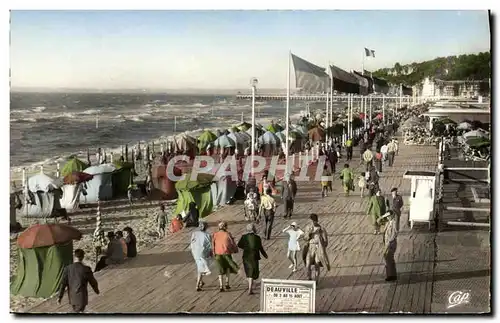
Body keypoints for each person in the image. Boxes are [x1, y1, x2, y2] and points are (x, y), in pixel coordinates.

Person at [237, 223, 268, 295]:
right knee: (254, 272)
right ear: (254, 229)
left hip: (246, 256)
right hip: (255, 257)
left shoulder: (244, 237)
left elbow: (239, 245)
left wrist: (246, 248)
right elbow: (260, 248)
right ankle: (250, 288)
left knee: (249, 272)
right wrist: (265, 255)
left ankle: (250, 286)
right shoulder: (257, 238)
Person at [302, 214, 330, 282]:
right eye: (311, 221)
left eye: (313, 221)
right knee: (308, 264)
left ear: (316, 221)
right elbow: (305, 238)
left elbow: (326, 242)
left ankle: (316, 280)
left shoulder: (322, 229)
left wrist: (321, 243)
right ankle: (309, 278)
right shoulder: (308, 228)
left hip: (318, 248)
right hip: (310, 248)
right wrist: (309, 235)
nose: (312, 223)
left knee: (317, 265)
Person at [212, 221, 239, 292]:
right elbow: (232, 243)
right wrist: (235, 250)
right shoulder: (228, 234)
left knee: (220, 270)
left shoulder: (215, 234)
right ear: (225, 227)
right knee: (227, 268)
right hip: (226, 253)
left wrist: (213, 252)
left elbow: (213, 244)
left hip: (218, 254)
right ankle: (227, 283)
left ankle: (221, 286)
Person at [190, 221, 213, 291]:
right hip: (203, 253)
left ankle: (200, 281)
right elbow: (209, 246)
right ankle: (197, 285)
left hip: (195, 252)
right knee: (201, 269)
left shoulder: (194, 233)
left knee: (200, 267)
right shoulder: (207, 235)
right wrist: (210, 253)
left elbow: (192, 242)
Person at [377, 211, 398, 281]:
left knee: (388, 258)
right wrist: (383, 216)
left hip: (391, 244)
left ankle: (390, 276)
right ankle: (392, 275)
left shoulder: (394, 223)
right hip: (386, 243)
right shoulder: (387, 222)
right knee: (389, 259)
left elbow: (394, 235)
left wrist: (388, 243)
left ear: (392, 216)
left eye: (389, 216)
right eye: (387, 216)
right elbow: (378, 221)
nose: (388, 217)